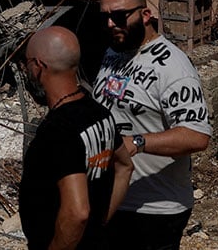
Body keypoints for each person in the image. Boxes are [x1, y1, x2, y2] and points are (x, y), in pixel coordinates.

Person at [92, 0, 212, 250]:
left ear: (146, 15)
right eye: (106, 17)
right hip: (112, 201)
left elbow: (197, 136)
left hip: (155, 210)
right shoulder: (114, 51)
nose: (111, 24)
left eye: (120, 16)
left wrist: (136, 143)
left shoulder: (173, 68)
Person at [20, 26, 133, 250]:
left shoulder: (58, 131)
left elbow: (77, 212)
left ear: (39, 65)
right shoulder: (99, 113)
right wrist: (99, 224)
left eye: (27, 64)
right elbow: (125, 167)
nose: (26, 71)